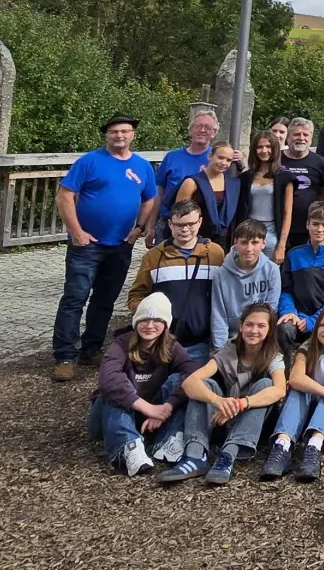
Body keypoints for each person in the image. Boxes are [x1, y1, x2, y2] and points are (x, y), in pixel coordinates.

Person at [51, 114, 158, 382]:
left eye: (125, 131)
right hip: (87, 244)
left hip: (120, 245)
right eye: (114, 132)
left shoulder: (142, 166)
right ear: (106, 135)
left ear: (133, 134)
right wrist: (76, 232)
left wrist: (138, 228)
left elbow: (150, 198)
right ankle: (65, 355)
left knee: (104, 300)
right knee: (75, 298)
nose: (119, 135)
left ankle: (92, 348)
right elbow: (64, 196)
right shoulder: (90, 161)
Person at [157, 303, 288, 485]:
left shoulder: (274, 356)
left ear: (270, 330)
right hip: (223, 418)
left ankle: (227, 456)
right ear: (241, 327)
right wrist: (218, 401)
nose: (254, 330)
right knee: (205, 385)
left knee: (265, 384)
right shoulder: (230, 349)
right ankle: (195, 456)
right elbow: (190, 383)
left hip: (254, 423)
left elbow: (279, 389)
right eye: (249, 324)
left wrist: (242, 403)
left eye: (261, 326)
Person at [88, 292, 199, 475]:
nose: (150, 325)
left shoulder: (172, 346)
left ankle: (168, 440)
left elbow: (193, 373)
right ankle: (127, 447)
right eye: (144, 320)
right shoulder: (121, 344)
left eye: (157, 320)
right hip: (111, 418)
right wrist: (147, 408)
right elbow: (108, 379)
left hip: (152, 417)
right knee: (116, 387)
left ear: (165, 324)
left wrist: (167, 407)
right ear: (136, 322)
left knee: (182, 383)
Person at [260, 305, 324, 481]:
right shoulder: (308, 346)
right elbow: (296, 378)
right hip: (319, 404)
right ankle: (282, 445)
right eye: (323, 324)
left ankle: (314, 446)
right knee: (299, 387)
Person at [125, 199, 226, 364]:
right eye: (179, 225)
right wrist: (147, 318)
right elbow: (137, 293)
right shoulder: (154, 256)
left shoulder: (215, 253)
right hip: (163, 342)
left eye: (191, 224)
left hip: (203, 342)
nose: (185, 229)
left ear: (200, 222)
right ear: (170, 224)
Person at [277, 202, 324, 354]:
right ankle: (285, 373)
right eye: (315, 224)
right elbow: (285, 290)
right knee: (284, 328)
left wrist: (314, 321)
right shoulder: (294, 254)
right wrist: (289, 312)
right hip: (296, 315)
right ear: (307, 225)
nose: (319, 229)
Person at [209, 219, 282, 352]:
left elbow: (271, 309)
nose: (249, 248)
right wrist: (221, 351)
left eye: (255, 243)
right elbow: (219, 315)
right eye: (243, 243)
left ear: (264, 243)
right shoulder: (221, 274)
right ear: (235, 242)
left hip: (260, 338)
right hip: (231, 340)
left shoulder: (272, 270)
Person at [150, 109, 217, 244]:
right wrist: (151, 226)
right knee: (163, 264)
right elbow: (159, 193)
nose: (202, 130)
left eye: (208, 127)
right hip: (168, 224)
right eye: (198, 126)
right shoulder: (172, 157)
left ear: (214, 133)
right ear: (190, 130)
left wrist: (238, 162)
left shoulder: (217, 159)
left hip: (202, 224)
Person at [232, 130, 293, 265]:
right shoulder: (247, 177)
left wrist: (281, 245)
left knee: (269, 274)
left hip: (272, 232)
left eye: (268, 146)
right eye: (259, 147)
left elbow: (287, 213)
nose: (264, 150)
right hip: (248, 228)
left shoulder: (284, 176)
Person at [279, 118, 324, 249]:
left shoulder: (320, 162)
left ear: (311, 137)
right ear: (288, 137)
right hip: (278, 226)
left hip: (307, 229)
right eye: (296, 134)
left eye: (305, 134)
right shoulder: (276, 159)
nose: (301, 138)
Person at [173, 140, 239, 247]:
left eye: (228, 160)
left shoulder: (233, 184)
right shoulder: (191, 182)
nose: (224, 163)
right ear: (210, 156)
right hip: (195, 239)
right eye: (220, 157)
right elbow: (179, 215)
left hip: (224, 241)